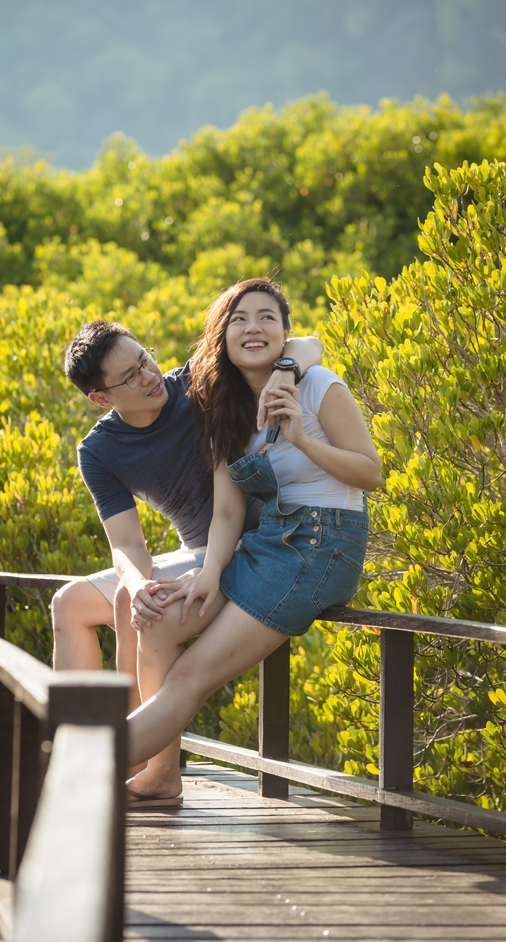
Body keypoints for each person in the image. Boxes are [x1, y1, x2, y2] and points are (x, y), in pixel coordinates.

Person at [124, 277, 381, 807]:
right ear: (223, 335)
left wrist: (302, 440)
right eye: (239, 318)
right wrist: (209, 573)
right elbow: (227, 509)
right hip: (265, 543)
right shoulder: (225, 410)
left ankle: (73, 772)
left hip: (322, 542)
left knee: (192, 675)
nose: (253, 327)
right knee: (158, 626)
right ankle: (157, 774)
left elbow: (369, 473)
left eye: (267, 317)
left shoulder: (317, 385)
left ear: (286, 334)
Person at [53, 316, 324, 712]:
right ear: (101, 399)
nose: (149, 376)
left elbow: (310, 344)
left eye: (145, 360)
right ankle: (81, 746)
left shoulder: (198, 381)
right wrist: (136, 581)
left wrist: (283, 374)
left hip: (255, 542)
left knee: (132, 605)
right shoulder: (98, 451)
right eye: (129, 377)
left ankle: (133, 755)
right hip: (196, 549)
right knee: (70, 603)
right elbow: (127, 543)